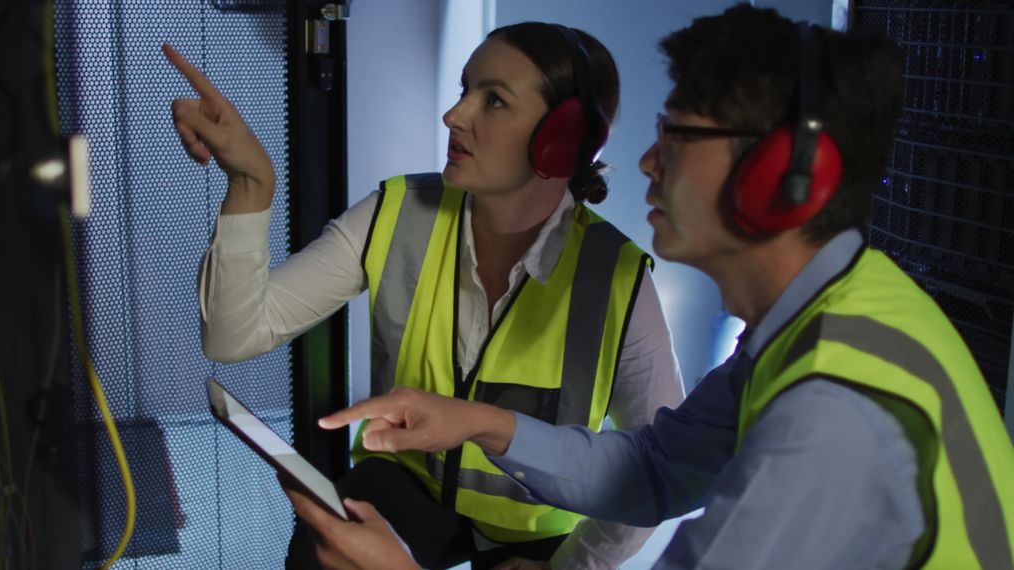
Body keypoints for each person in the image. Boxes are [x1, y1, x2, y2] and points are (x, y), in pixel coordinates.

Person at [283, 5, 1014, 569]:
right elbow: (656, 469)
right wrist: (476, 422)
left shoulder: (830, 413)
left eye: (677, 138)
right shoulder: (824, 319)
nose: (643, 163)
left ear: (781, 178)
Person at [163, 21, 685, 570]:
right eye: (465, 90)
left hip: (538, 521)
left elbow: (660, 473)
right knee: (324, 547)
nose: (455, 115)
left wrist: (570, 569)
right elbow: (232, 334)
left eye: (495, 101)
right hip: (408, 485)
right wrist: (250, 184)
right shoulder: (397, 213)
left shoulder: (618, 278)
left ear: (562, 137)